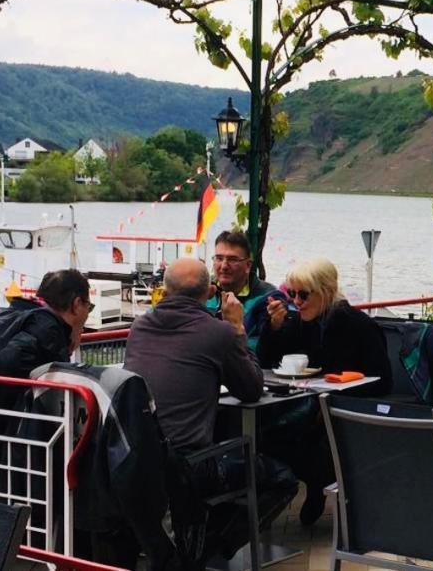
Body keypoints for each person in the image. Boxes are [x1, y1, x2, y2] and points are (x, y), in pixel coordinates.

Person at [124, 257, 297, 564]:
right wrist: (237, 327)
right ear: (209, 293)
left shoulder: (140, 327)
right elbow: (251, 389)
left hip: (139, 461)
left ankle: (189, 539)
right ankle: (204, 552)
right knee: (281, 477)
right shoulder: (217, 332)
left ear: (165, 291)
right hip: (189, 467)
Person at [255, 257, 391, 526]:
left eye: (303, 294)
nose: (296, 301)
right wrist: (273, 329)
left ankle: (316, 485)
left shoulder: (357, 325)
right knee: (263, 434)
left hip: (343, 411)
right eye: (291, 293)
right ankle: (307, 486)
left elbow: (382, 380)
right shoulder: (301, 321)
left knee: (275, 436)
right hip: (309, 404)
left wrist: (340, 388)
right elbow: (267, 361)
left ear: (326, 292)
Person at [0, 268, 92, 434]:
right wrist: (73, 335)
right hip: (12, 433)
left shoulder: (5, 316)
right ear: (77, 304)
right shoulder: (49, 329)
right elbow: (60, 393)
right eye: (89, 306)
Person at [203, 230, 275, 348]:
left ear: (248, 265)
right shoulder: (202, 291)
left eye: (232, 259)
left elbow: (263, 347)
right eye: (219, 258)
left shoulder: (266, 297)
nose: (224, 266)